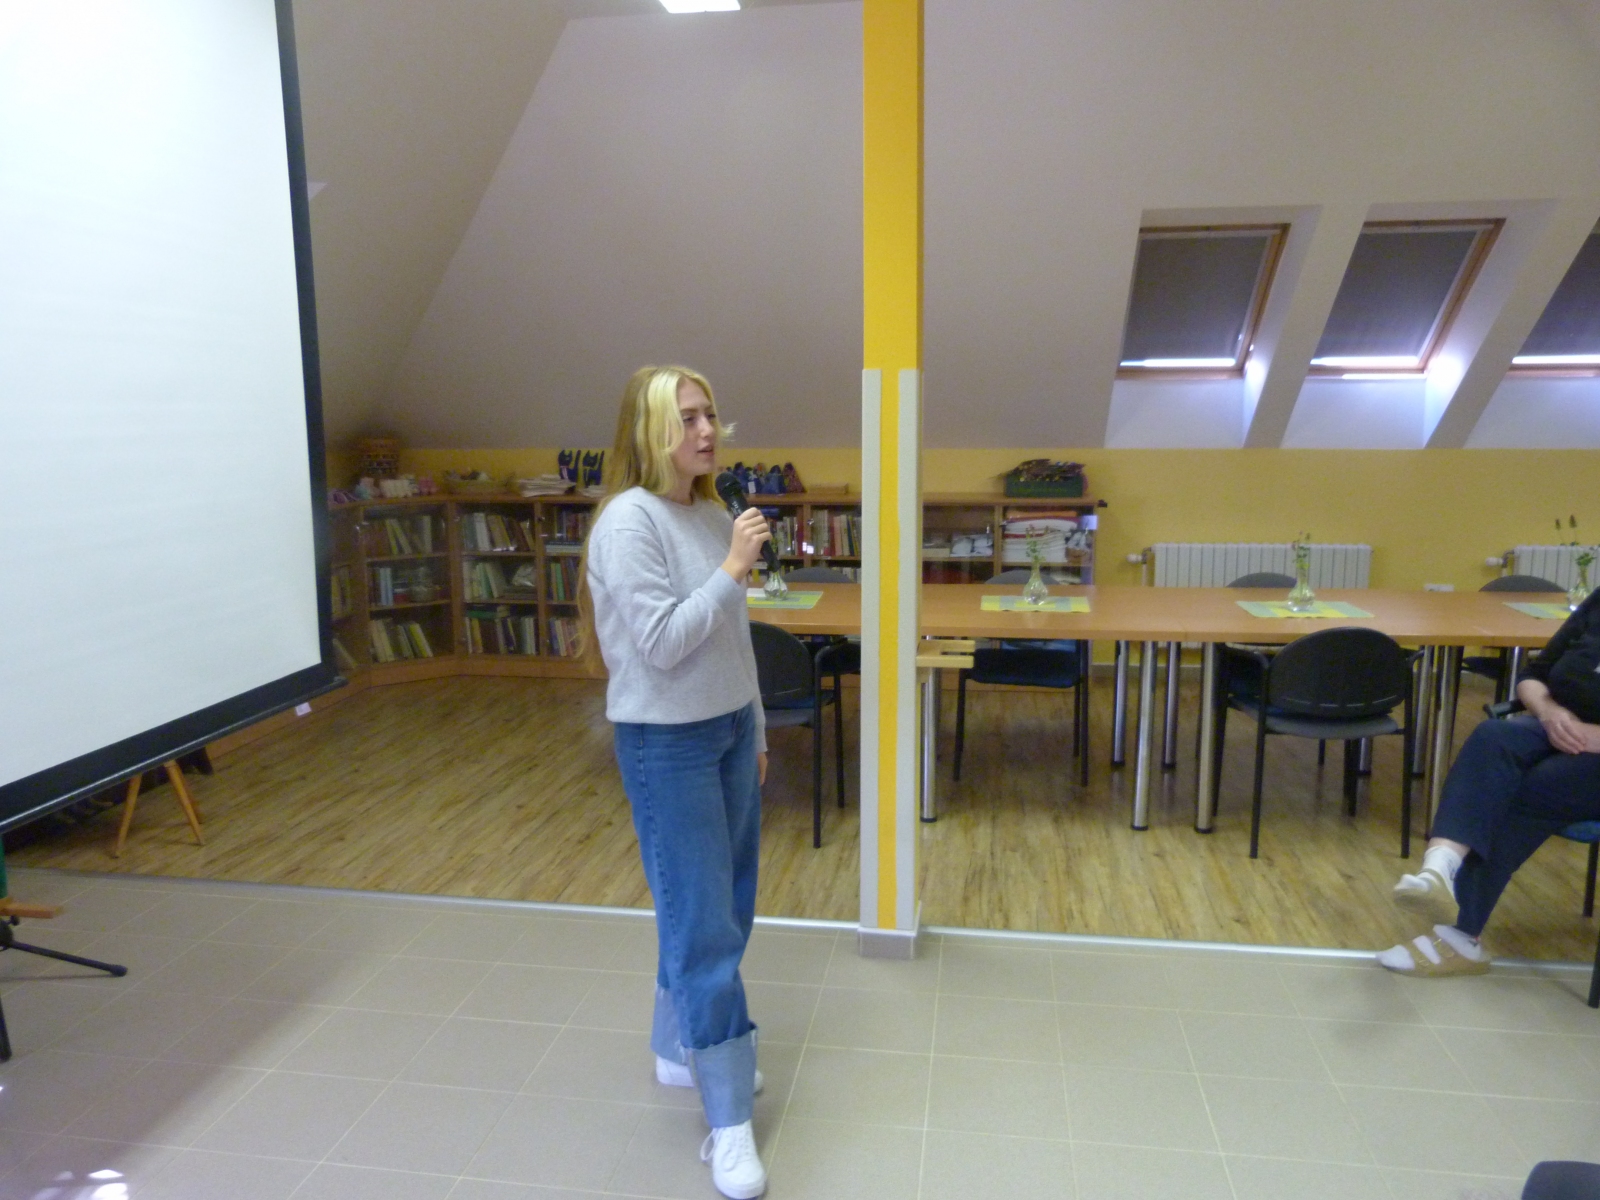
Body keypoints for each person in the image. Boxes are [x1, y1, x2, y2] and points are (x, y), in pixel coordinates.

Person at [583, 365, 771, 1198]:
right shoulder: (629, 522)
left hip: (728, 732)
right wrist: (731, 568)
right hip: (668, 744)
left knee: (724, 907)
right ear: (649, 429)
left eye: (710, 414)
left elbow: (734, 639)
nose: (706, 431)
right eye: (687, 417)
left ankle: (676, 1047)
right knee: (704, 930)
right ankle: (728, 1123)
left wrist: (756, 725)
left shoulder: (712, 511)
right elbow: (661, 643)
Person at [1379, 588, 1600, 976]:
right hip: (1560, 728)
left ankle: (1461, 934)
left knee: (1536, 785)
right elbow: (1533, 676)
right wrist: (1549, 713)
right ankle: (1440, 869)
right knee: (1492, 737)